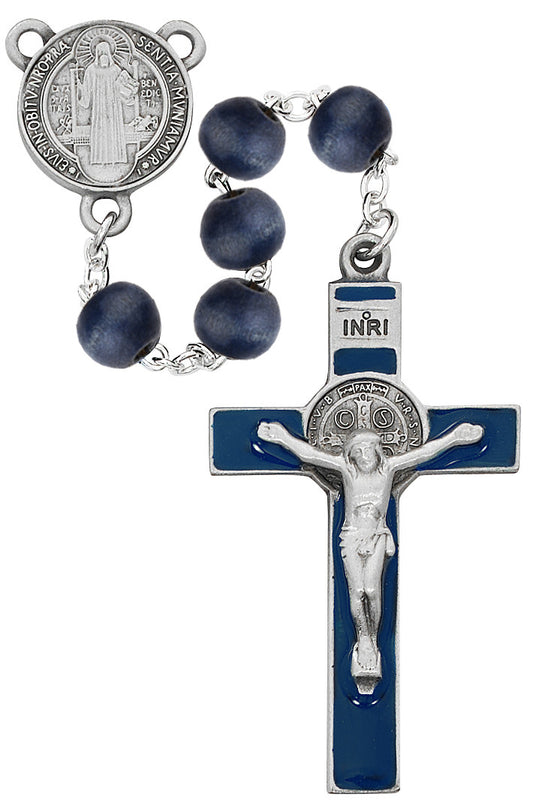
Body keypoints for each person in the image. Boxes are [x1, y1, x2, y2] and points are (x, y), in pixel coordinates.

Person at [257, 420, 483, 687]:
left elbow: (423, 453)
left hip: (377, 536)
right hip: (351, 537)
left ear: (378, 450)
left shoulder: (389, 470)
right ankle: (362, 638)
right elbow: (311, 455)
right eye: (358, 451)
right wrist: (282, 437)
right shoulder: (348, 473)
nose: (364, 456)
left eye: (368, 449)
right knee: (357, 593)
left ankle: (372, 640)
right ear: (351, 455)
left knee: (372, 591)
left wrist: (455, 437)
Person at [78, 41, 137, 165]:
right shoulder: (95, 70)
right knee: (104, 130)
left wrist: (80, 90)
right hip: (102, 107)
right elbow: (87, 91)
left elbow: (86, 93)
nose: (103, 55)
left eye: (105, 52)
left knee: (110, 129)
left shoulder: (113, 69)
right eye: (101, 53)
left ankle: (111, 158)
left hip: (112, 106)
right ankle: (104, 159)